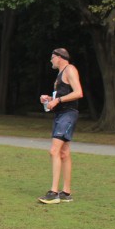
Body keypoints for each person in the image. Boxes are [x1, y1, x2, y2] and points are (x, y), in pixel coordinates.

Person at [38, 48, 84, 204]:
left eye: (52, 57)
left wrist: (58, 100)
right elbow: (63, 95)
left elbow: (78, 93)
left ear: (59, 57)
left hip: (68, 114)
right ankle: (66, 193)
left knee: (54, 151)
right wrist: (49, 99)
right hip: (60, 115)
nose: (51, 60)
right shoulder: (60, 74)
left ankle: (53, 193)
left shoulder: (70, 69)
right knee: (64, 153)